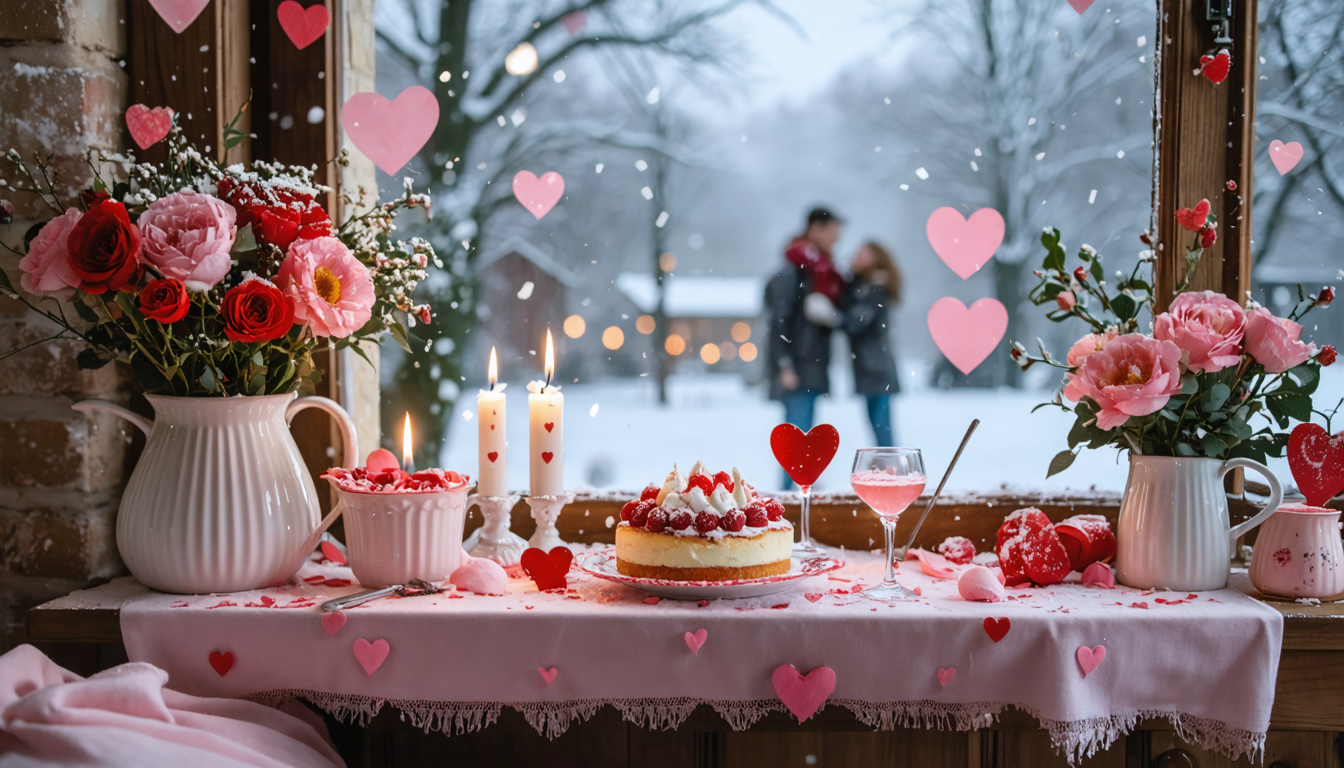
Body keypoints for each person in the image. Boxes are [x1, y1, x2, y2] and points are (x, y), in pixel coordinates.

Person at [764, 207, 845, 487]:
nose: (837, 240)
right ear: (816, 229)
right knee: (795, 448)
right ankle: (786, 508)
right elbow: (778, 321)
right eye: (834, 233)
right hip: (798, 369)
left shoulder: (820, 271)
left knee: (802, 446)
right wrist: (784, 363)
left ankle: (796, 500)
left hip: (812, 367)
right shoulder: (793, 272)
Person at [840, 241, 902, 447]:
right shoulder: (860, 286)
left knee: (880, 424)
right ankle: (887, 467)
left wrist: (831, 318)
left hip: (877, 366)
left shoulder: (876, 288)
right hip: (867, 365)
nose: (857, 257)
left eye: (864, 254)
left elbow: (856, 321)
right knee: (874, 423)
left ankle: (891, 470)